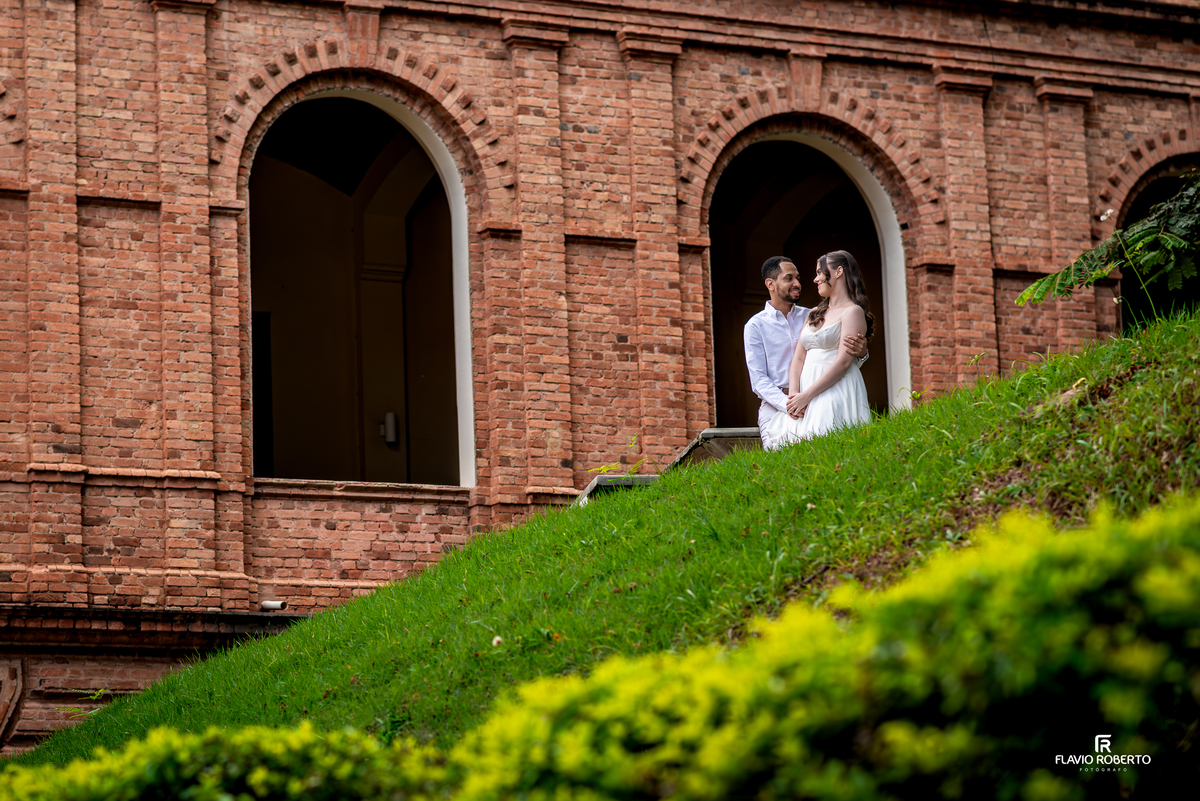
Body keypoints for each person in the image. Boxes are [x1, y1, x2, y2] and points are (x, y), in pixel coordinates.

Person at [744, 256, 867, 451]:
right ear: (771, 284)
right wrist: (791, 403)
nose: (797, 284)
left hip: (817, 396)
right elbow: (759, 380)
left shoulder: (815, 314)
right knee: (780, 463)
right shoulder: (755, 326)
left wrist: (861, 353)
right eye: (789, 278)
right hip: (778, 403)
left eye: (798, 278)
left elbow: (838, 360)